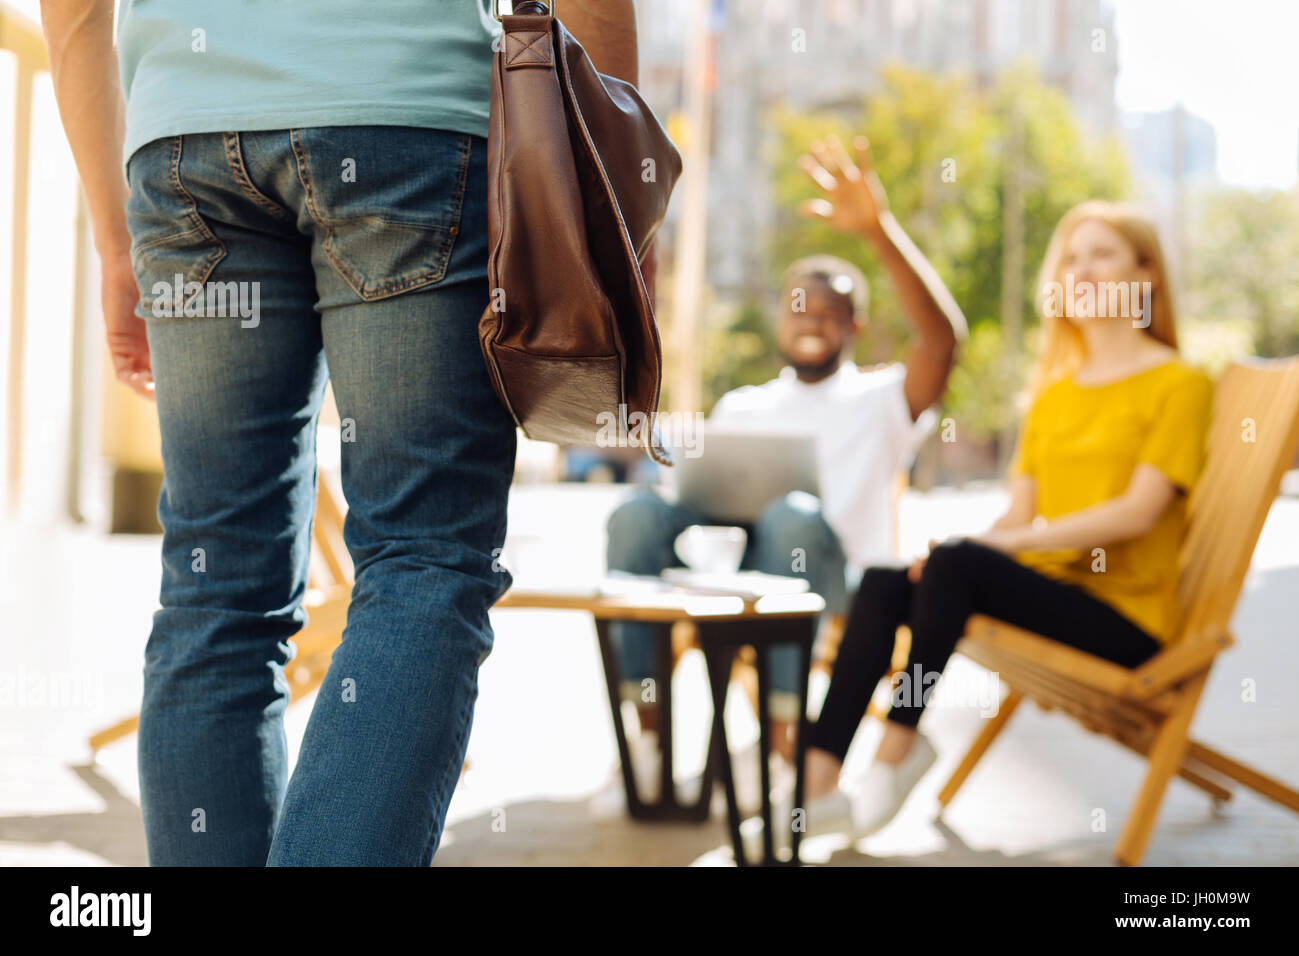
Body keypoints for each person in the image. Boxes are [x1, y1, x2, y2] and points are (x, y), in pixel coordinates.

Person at [40, 0, 641, 866]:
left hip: (183, 145)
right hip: (405, 113)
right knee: (424, 562)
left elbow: (74, 10)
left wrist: (110, 234)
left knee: (216, 587)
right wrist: (611, 204)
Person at [794, 200, 1216, 840]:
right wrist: (948, 557)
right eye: (1071, 258)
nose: (1083, 270)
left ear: (1147, 274)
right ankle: (816, 785)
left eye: (1103, 254)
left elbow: (1137, 513)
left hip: (1125, 619)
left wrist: (985, 551)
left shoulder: (1180, 384)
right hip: (1049, 592)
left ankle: (896, 752)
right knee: (886, 577)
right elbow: (1017, 515)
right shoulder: (1054, 394)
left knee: (960, 560)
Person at [603, 135, 967, 806]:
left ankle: (783, 753)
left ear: (855, 324)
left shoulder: (882, 398)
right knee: (636, 515)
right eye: (800, 306)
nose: (813, 320)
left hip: (839, 592)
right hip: (739, 576)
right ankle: (646, 745)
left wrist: (878, 230)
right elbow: (700, 500)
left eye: (831, 311)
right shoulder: (743, 406)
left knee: (793, 516)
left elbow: (943, 339)